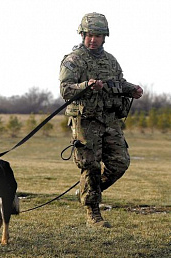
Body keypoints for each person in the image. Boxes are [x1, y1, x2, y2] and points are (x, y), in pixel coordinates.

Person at [59, 12, 143, 228]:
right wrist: (86, 85)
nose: (93, 39)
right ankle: (93, 213)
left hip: (110, 120)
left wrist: (132, 89)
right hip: (86, 122)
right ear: (82, 34)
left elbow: (119, 82)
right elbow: (65, 90)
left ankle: (87, 191)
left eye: (97, 35)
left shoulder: (110, 61)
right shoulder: (73, 60)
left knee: (119, 163)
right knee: (91, 166)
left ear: (104, 36)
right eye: (89, 35)